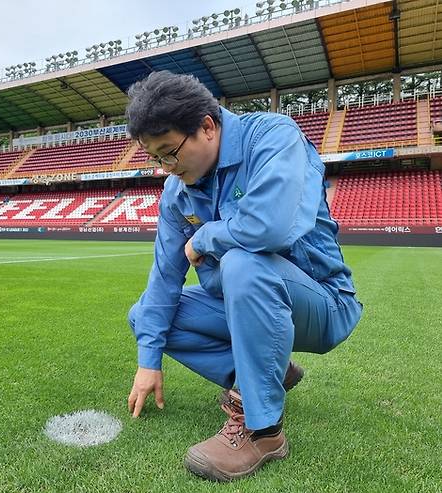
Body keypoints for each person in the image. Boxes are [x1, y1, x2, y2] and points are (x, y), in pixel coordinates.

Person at [125, 71, 363, 482]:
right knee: (145, 315)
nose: (167, 167)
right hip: (243, 305)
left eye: (170, 152)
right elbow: (165, 278)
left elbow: (269, 227)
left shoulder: (273, 137)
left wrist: (204, 238)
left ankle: (263, 430)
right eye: (156, 158)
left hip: (322, 303)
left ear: (208, 126)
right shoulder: (176, 193)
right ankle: (268, 373)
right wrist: (149, 361)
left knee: (242, 262)